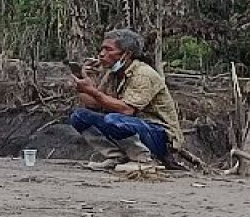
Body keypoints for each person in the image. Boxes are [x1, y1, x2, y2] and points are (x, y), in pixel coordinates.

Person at [69, 28, 182, 173]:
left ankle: (144, 160)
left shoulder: (143, 74)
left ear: (126, 54)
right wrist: (82, 84)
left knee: (114, 119)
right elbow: (94, 104)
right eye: (102, 49)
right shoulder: (112, 73)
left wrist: (92, 90)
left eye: (109, 49)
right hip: (132, 126)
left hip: (160, 135)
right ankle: (116, 157)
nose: (102, 54)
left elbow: (127, 110)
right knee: (80, 116)